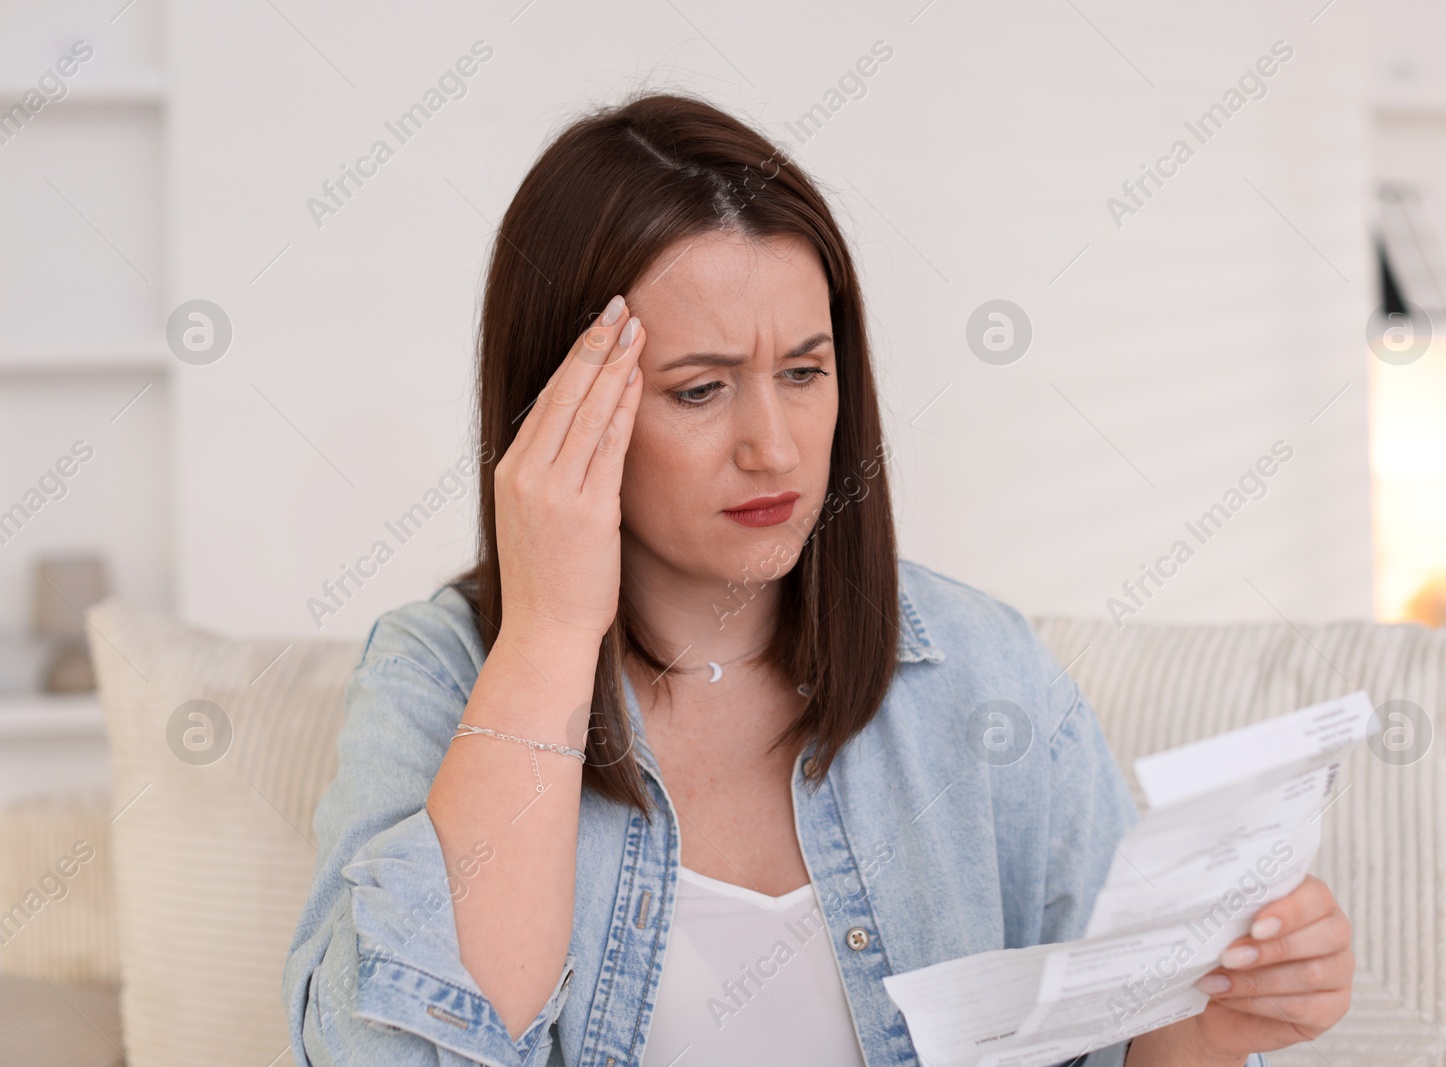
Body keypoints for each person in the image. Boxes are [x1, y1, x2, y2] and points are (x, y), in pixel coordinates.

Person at [282, 91, 1353, 1067]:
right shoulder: (441, 676)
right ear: (559, 408)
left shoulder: (979, 668)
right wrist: (553, 631)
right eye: (700, 390)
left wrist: (1204, 1026)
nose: (776, 449)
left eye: (804, 371)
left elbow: (1133, 1035)